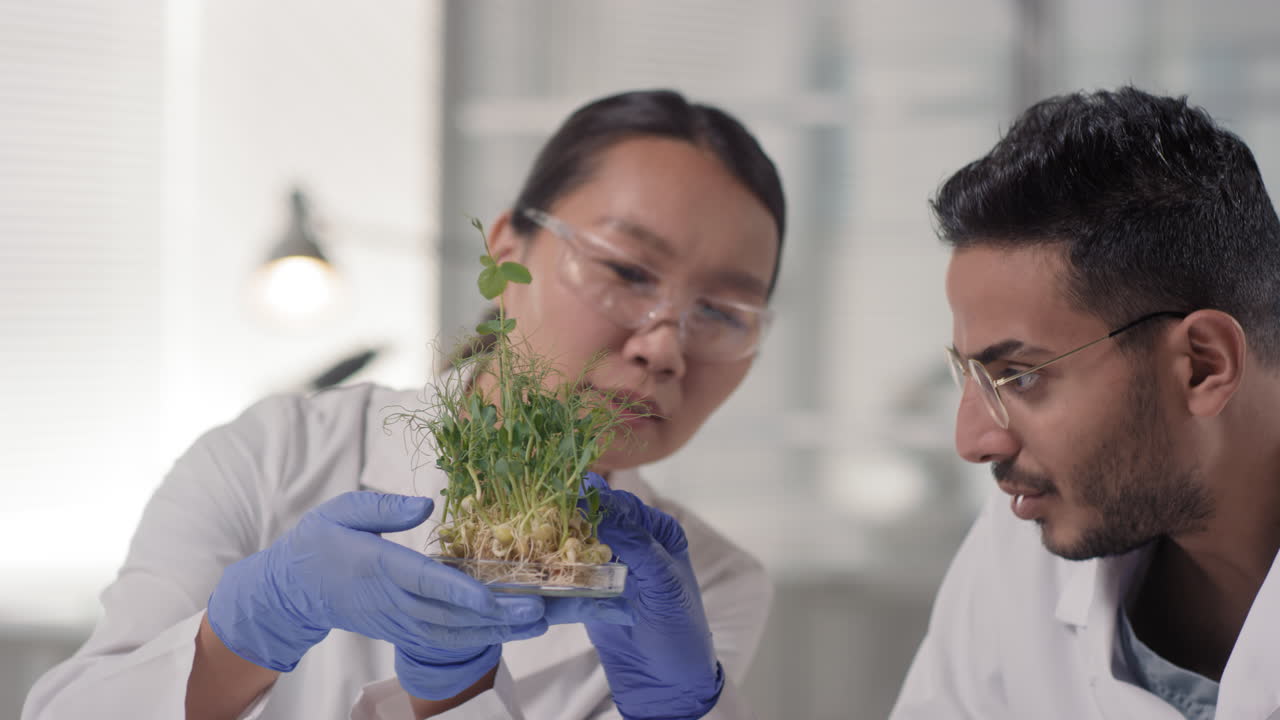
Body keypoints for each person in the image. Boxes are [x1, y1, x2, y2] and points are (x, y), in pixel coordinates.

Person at [23, 88, 786, 720]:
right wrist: (242, 637)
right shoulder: (273, 457)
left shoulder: (706, 589)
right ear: (509, 257)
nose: (665, 347)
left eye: (723, 313)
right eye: (626, 269)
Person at [890, 86, 1280, 719]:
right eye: (968, 373)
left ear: (1204, 365)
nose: (972, 440)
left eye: (1018, 376)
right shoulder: (1025, 548)